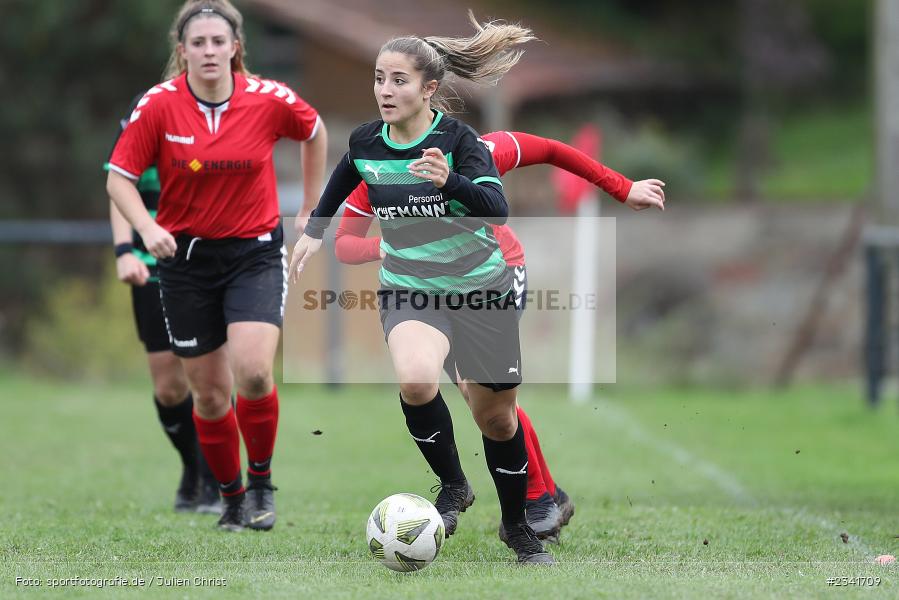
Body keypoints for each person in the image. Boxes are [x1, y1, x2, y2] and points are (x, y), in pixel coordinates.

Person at [291, 13, 560, 564]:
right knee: (415, 379)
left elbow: (496, 206)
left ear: (428, 89)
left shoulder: (460, 142)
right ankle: (455, 485)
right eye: (378, 79)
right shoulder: (368, 139)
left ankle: (517, 528)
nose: (384, 91)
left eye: (398, 80)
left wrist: (449, 181)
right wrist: (314, 233)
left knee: (498, 418)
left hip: (481, 289)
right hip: (411, 289)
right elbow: (345, 175)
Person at [333, 130, 665, 543]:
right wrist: (386, 247)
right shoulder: (377, 173)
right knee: (480, 399)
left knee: (485, 397)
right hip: (429, 290)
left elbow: (551, 149)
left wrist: (623, 187)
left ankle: (539, 499)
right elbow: (345, 244)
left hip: (497, 275)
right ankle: (547, 496)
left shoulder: (477, 151)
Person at [106, 0, 327, 532]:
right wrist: (148, 229)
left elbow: (315, 131)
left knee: (252, 372)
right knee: (207, 392)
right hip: (184, 262)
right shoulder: (158, 105)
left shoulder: (269, 99)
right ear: (182, 52)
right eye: (198, 43)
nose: (209, 51)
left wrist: (311, 206)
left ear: (236, 48)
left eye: (218, 42)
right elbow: (118, 177)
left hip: (253, 254)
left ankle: (261, 484)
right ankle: (229, 498)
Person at [106, 92, 222, 515]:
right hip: (150, 267)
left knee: (211, 379)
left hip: (209, 268)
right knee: (169, 385)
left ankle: (216, 478)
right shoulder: (141, 118)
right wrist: (123, 251)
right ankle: (193, 467)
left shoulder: (222, 123)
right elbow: (120, 187)